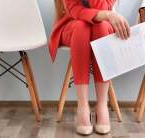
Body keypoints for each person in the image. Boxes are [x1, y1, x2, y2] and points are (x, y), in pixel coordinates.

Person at [49, 0, 130, 135]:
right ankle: (82, 106)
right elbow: (76, 11)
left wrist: (107, 15)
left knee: (102, 27)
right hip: (71, 24)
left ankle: (102, 105)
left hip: (103, 26)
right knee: (81, 27)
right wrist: (107, 15)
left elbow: (104, 7)